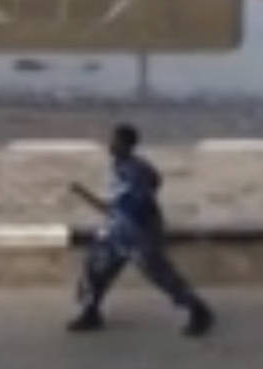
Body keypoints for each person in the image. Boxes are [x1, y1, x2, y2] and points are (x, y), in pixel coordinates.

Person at [67, 124, 214, 337]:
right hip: (117, 231)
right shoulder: (120, 167)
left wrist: (141, 225)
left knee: (161, 274)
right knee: (95, 268)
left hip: (138, 233)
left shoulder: (135, 170)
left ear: (127, 144)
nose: (111, 145)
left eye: (115, 141)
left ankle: (198, 311)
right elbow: (123, 199)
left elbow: (144, 195)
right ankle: (91, 312)